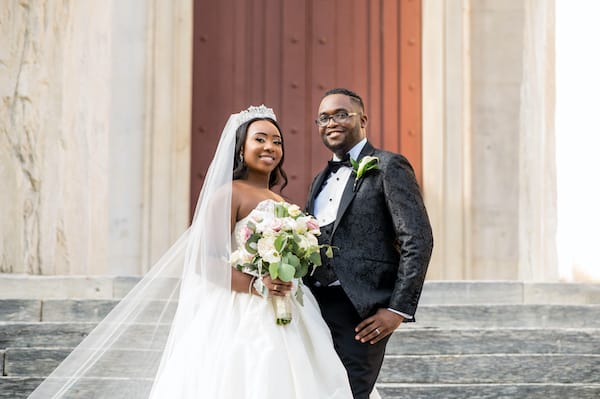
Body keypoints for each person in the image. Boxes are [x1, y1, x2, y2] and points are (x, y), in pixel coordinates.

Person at [28, 105, 353, 398]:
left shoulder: (282, 201)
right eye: (260, 139)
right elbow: (206, 262)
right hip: (242, 309)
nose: (270, 146)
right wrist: (257, 285)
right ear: (241, 148)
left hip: (288, 306)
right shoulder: (228, 194)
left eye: (277, 141)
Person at [304, 88, 434, 399]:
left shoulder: (389, 166)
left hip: (361, 311)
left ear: (363, 119)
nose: (332, 122)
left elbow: (417, 238)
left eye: (341, 114)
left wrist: (397, 309)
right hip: (312, 307)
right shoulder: (318, 179)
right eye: (324, 117)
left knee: (350, 393)